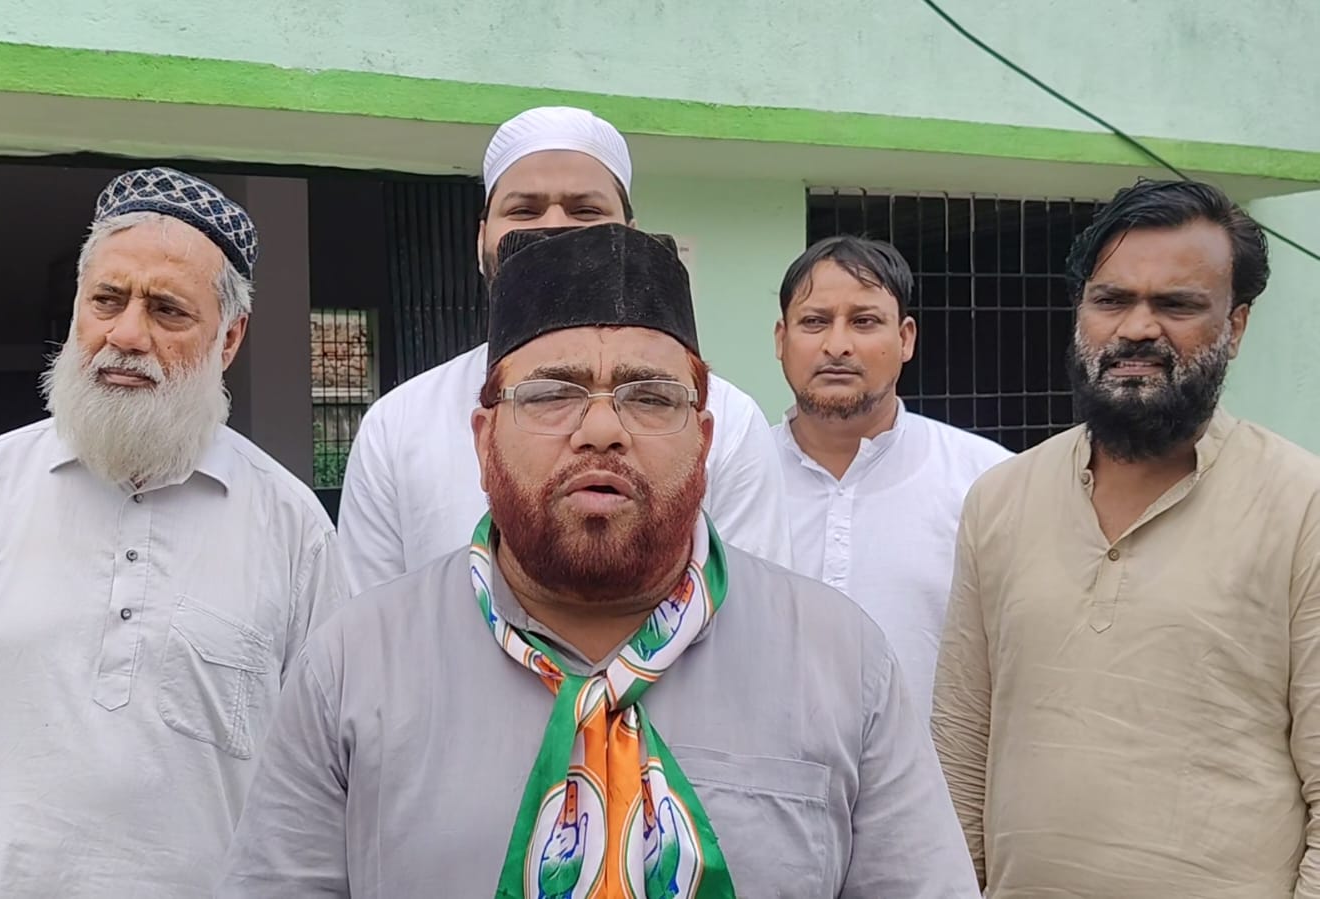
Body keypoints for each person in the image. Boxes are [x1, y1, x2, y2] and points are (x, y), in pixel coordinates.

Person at [219, 224, 977, 898]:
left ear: (703, 443)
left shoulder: (841, 661)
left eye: (650, 397)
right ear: (484, 441)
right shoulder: (352, 667)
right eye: (553, 393)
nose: (602, 429)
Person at [0, 167, 345, 897]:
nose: (126, 334)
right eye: (107, 300)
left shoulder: (291, 525)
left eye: (168, 310)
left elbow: (320, 791)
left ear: (230, 337)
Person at [932, 179, 1320, 896]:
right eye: (1111, 300)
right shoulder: (1000, 499)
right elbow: (960, 744)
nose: (1137, 328)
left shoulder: (1303, 506)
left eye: (1176, 304)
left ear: (1235, 326)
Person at [337, 105, 795, 593]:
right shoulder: (398, 426)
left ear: (629, 234)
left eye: (585, 210)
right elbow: (370, 620)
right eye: (524, 210)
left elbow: (753, 610)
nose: (554, 227)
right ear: (481, 240)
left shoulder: (728, 419)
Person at [773, 236, 1009, 717]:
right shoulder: (733, 477)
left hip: (931, 766)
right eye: (814, 322)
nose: (837, 345)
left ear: (905, 339)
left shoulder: (987, 481)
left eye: (864, 322)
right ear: (781, 339)